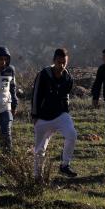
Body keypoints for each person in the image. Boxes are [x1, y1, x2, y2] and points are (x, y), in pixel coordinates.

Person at [31, 48, 78, 178]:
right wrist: (35, 115)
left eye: (64, 62)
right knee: (40, 149)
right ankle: (37, 176)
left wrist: (66, 111)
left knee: (72, 134)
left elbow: (66, 96)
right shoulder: (44, 74)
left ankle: (65, 165)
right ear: (53, 61)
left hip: (61, 114)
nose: (61, 65)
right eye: (59, 62)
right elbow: (36, 95)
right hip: (43, 117)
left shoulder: (68, 77)